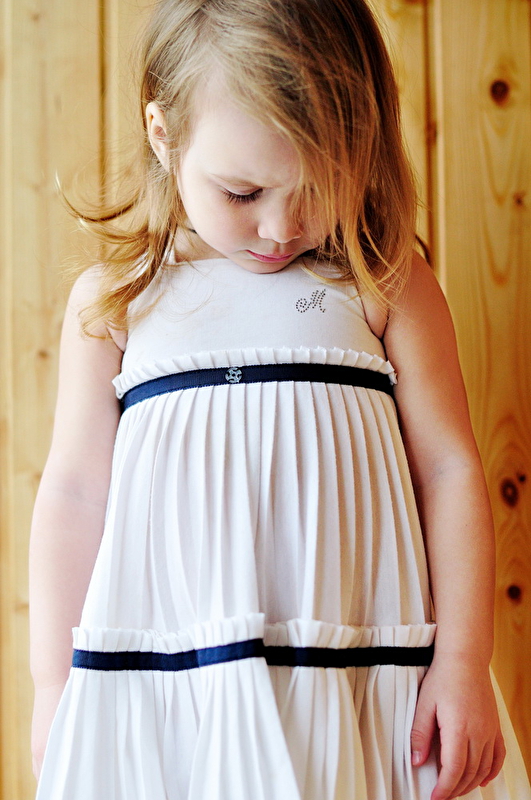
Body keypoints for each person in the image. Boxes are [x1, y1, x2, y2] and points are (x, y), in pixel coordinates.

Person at [29, 1, 530, 798]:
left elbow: (447, 469)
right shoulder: (119, 303)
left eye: (318, 188)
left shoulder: (381, 282)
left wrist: (462, 661)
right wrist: (55, 686)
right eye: (242, 192)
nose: (278, 226)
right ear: (164, 134)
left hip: (366, 681)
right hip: (177, 689)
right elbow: (75, 495)